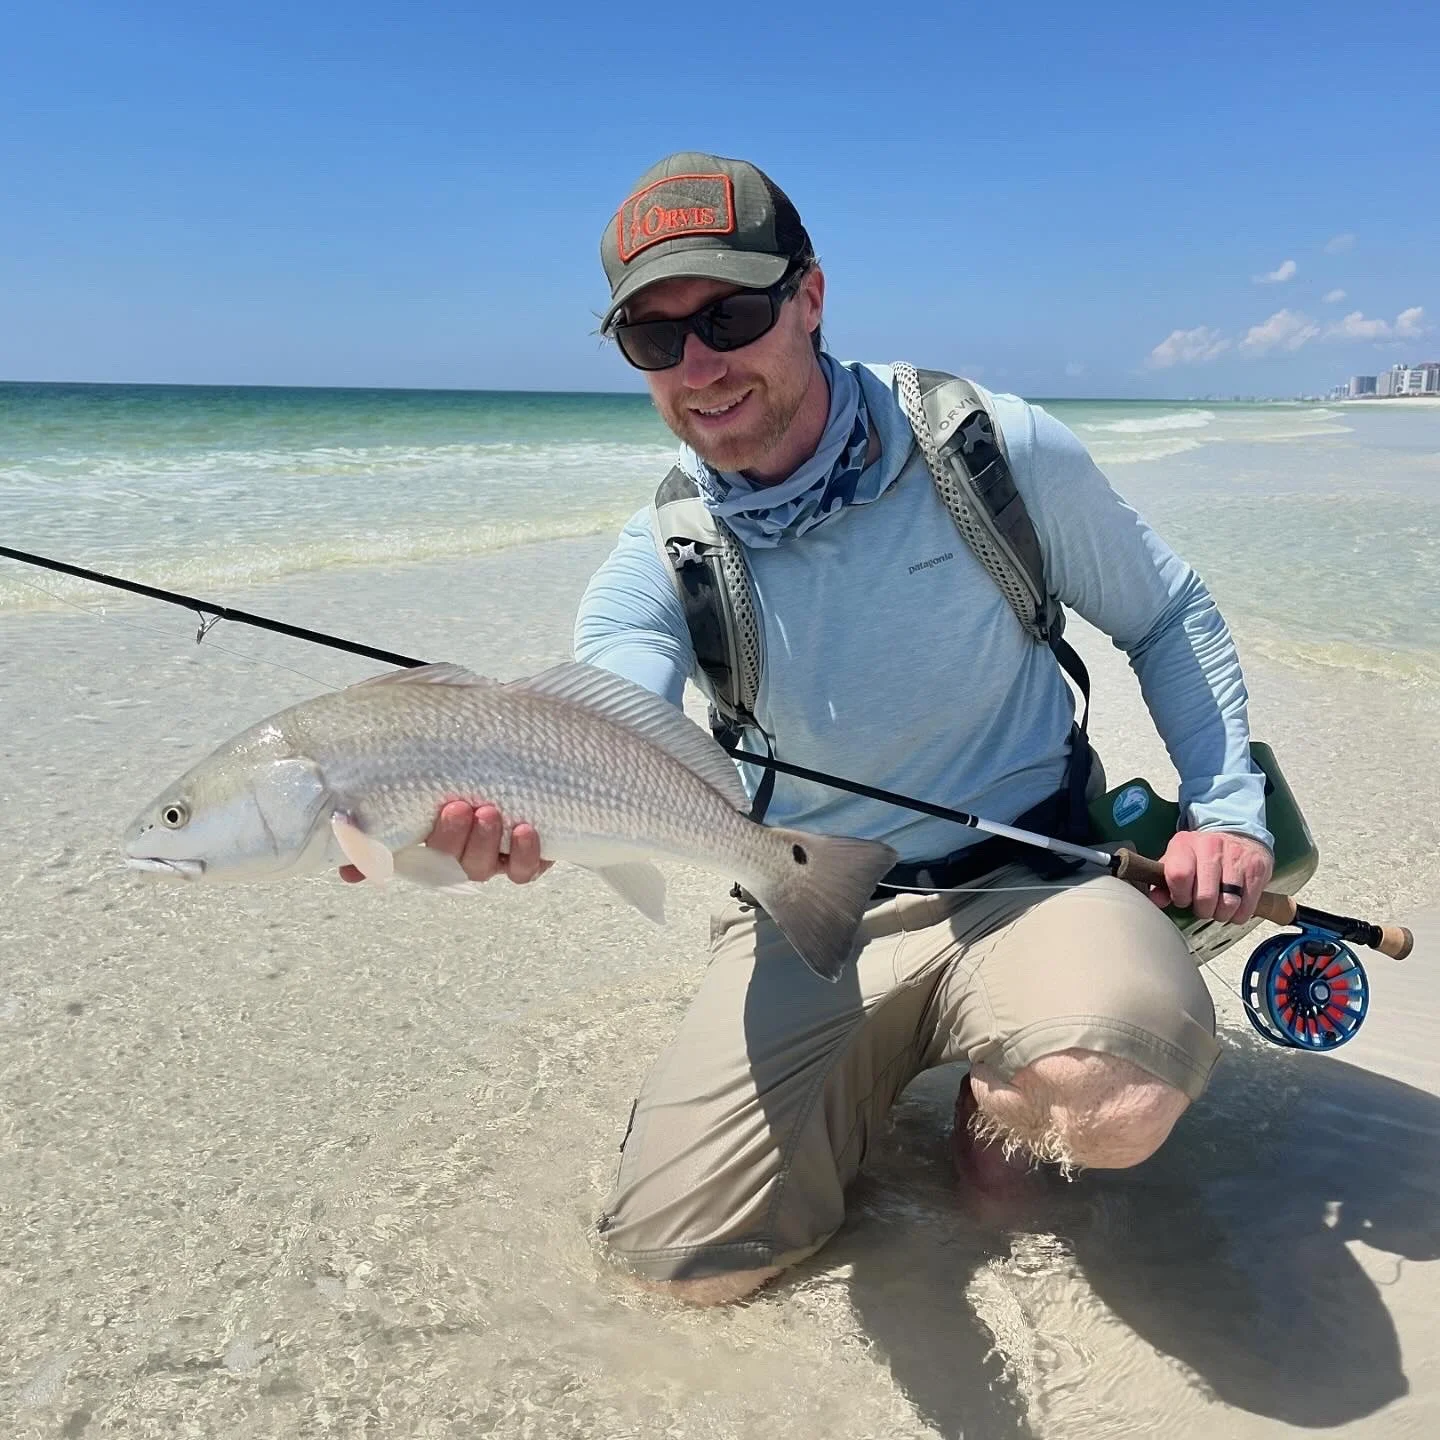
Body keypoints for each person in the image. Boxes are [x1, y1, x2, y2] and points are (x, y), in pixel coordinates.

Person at [360, 152, 1275, 1306]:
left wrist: (1230, 813)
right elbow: (604, 734)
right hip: (808, 909)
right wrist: (465, 832)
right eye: (654, 339)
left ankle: (1008, 1094)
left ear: (811, 296)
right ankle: (889, 1071)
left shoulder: (985, 451)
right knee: (681, 1267)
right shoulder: (658, 564)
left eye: (730, 315)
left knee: (1107, 1099)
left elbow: (1168, 611)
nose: (700, 366)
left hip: (1036, 869)